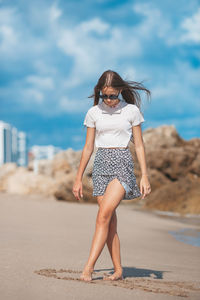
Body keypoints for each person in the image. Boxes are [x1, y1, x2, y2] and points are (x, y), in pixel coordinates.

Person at [72, 70, 151, 282]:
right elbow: (88, 147)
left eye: (113, 95)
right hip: (100, 166)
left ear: (121, 91)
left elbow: (140, 146)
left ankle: (88, 268)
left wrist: (144, 175)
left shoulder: (131, 111)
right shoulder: (93, 113)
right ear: (100, 93)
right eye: (105, 95)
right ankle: (118, 270)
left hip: (122, 164)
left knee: (103, 216)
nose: (109, 100)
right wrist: (78, 178)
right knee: (110, 222)